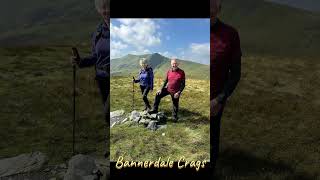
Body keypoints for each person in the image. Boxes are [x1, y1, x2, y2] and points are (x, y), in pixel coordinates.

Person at [70, 0, 110, 158]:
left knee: (108, 113)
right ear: (98, 9)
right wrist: (80, 61)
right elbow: (95, 57)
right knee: (109, 115)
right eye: (103, 7)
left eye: (109, 6)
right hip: (101, 78)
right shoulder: (98, 31)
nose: (106, 11)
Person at [210, 0, 242, 172]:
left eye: (213, 3)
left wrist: (219, 100)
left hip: (213, 101)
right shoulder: (188, 28)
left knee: (211, 140)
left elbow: (235, 74)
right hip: (188, 96)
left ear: (219, 7)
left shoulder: (230, 34)